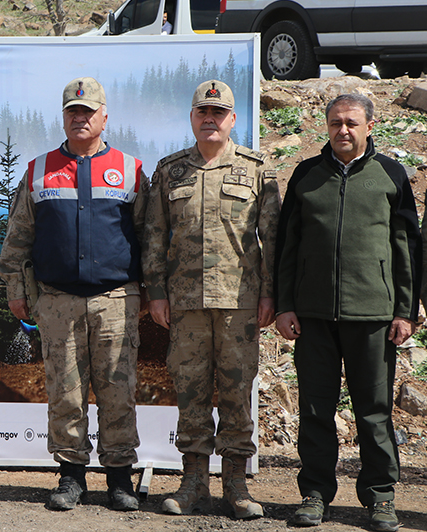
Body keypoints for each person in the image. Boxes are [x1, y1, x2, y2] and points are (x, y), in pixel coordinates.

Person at [0, 77, 147, 512]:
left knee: (118, 391)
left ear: (104, 116)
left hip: (116, 299)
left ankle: (120, 478)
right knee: (65, 390)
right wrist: (17, 290)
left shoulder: (132, 169)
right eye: (72, 111)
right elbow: (18, 238)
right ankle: (70, 476)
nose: (79, 117)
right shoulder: (39, 169)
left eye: (88, 111)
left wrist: (153, 292)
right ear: (63, 117)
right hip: (57, 299)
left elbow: (150, 238)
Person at [276, 93, 420, 532]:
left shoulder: (390, 174)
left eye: (351, 123)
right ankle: (315, 494)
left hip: (373, 316)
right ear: (327, 125)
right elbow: (287, 246)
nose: (343, 130)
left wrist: (405, 310)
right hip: (314, 316)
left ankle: (380, 498)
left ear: (369, 126)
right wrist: (284, 305)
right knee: (316, 410)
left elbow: (408, 246)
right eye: (335, 122)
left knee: (374, 411)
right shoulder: (306, 175)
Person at [142, 79, 280, 520]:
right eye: (203, 112)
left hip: (240, 303)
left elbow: (273, 241)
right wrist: (157, 294)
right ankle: (193, 483)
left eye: (218, 113)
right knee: (191, 393)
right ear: (192, 118)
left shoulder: (257, 170)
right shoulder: (170, 171)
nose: (210, 119)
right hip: (186, 306)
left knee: (238, 394)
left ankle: (236, 485)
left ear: (232, 119)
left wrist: (270, 293)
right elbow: (153, 238)